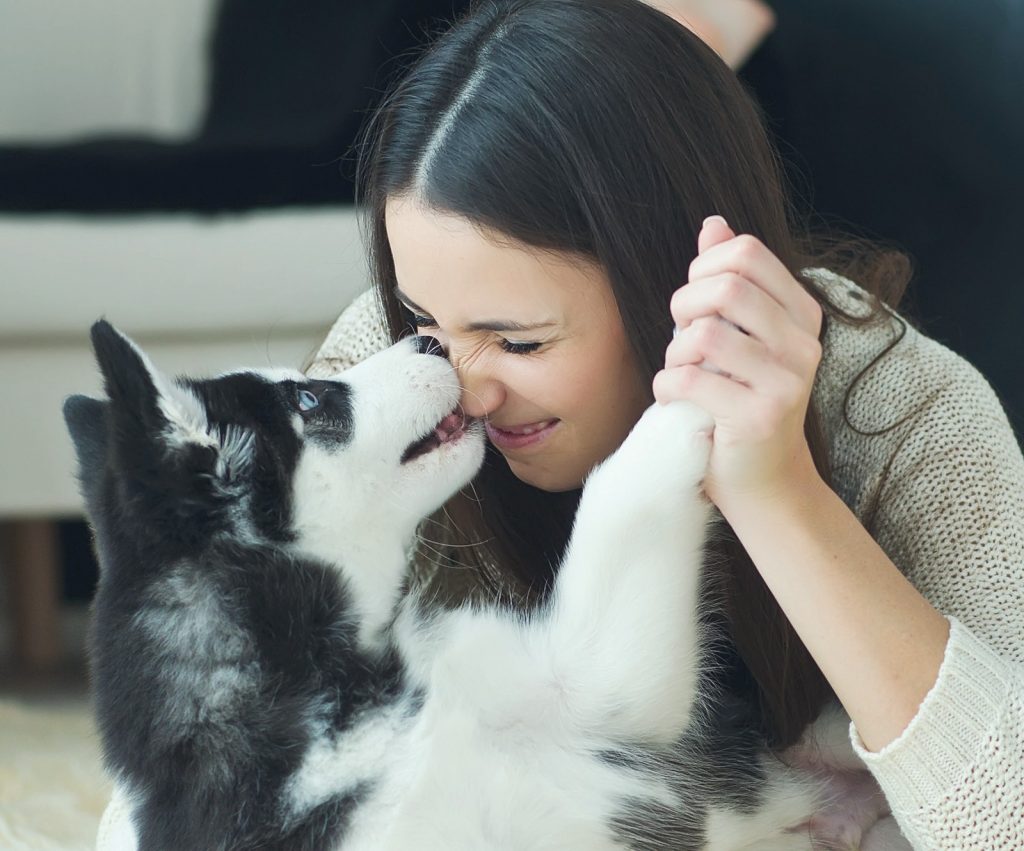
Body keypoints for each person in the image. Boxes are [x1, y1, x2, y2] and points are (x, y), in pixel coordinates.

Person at [96, 0, 1023, 848]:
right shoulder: (391, 381)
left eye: (519, 340)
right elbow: (197, 768)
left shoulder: (899, 410)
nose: (459, 385)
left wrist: (775, 488)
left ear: (672, 286)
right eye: (422, 321)